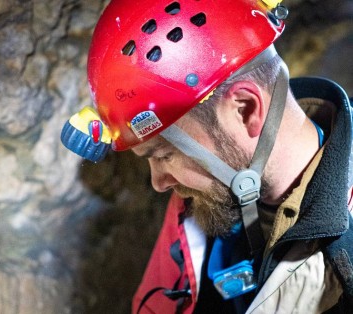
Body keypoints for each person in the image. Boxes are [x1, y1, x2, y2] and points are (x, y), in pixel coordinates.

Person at [61, 0, 353, 312]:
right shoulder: (202, 202)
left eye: (164, 155)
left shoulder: (343, 263)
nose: (158, 182)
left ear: (245, 109)